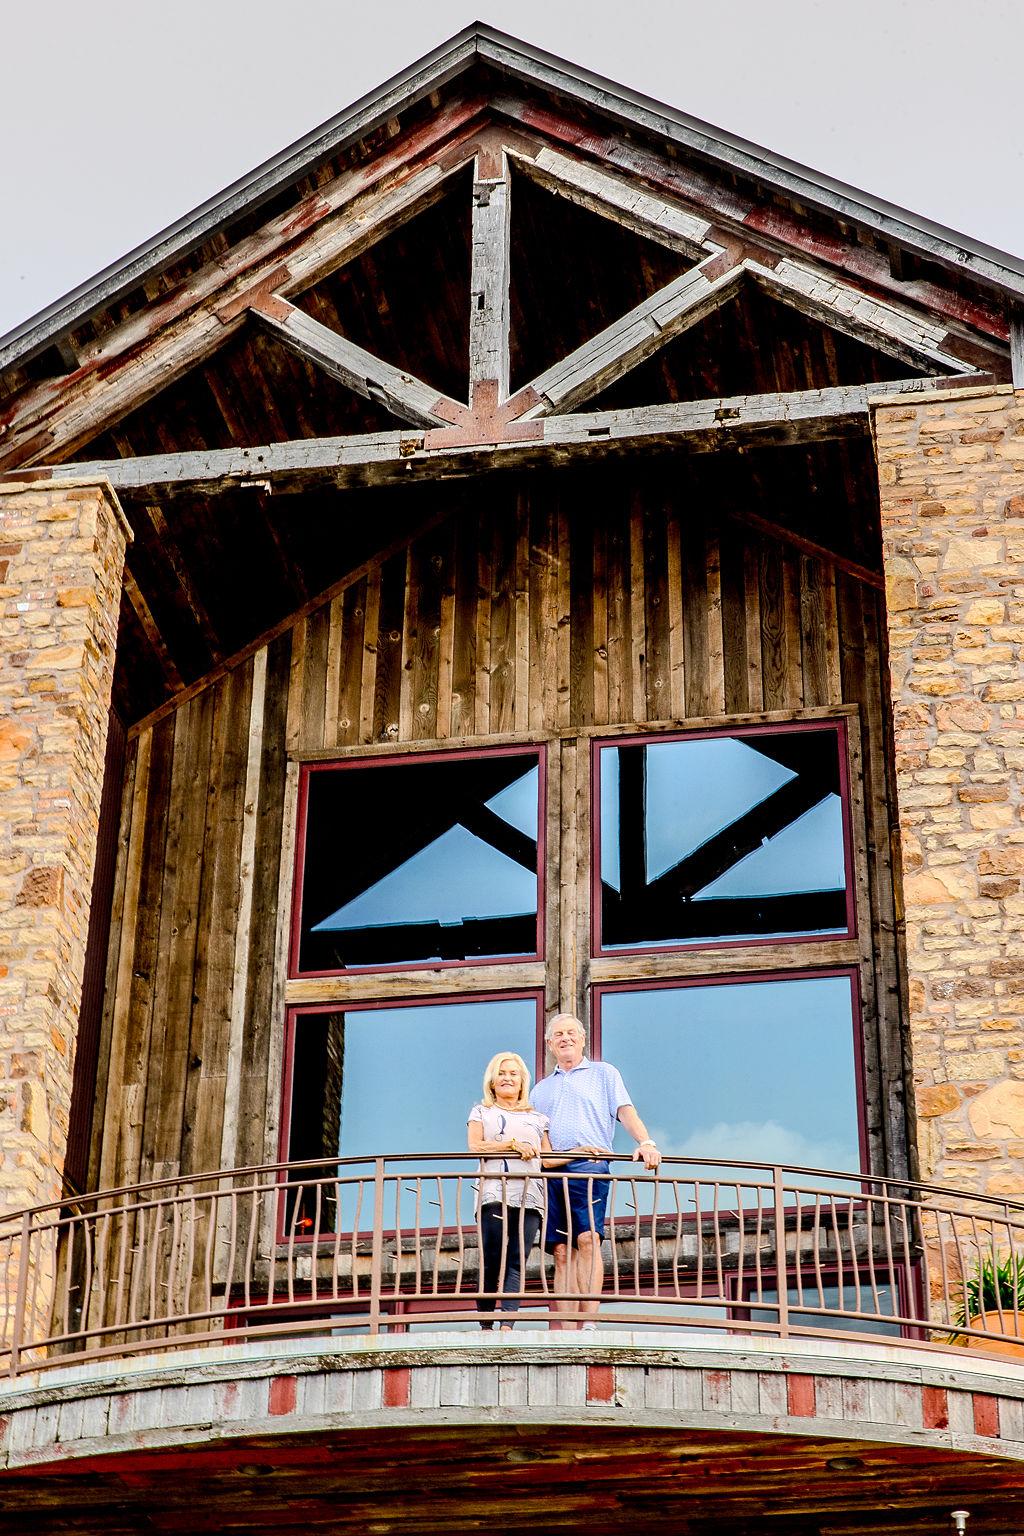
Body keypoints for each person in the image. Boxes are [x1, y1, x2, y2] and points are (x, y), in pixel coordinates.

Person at [531, 1013, 662, 1330]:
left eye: (572, 1033)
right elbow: (534, 1135)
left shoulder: (604, 1074)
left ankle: (589, 1321)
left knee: (588, 1239)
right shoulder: (539, 1090)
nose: (565, 1038)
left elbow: (624, 1111)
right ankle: (566, 1326)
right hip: (552, 1170)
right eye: (558, 1034)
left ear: (583, 1039)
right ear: (550, 1044)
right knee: (561, 1250)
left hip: (590, 1163)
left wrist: (645, 1141)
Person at [467, 1051, 559, 1331]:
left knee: (519, 1257)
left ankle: (508, 1323)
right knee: (493, 1254)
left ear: (522, 1082)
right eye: (502, 1074)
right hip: (494, 1190)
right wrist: (512, 1145)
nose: (507, 1078)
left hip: (530, 1195)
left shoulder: (538, 1118)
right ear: (492, 1082)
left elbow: (549, 1159)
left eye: (513, 1074)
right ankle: (485, 1322)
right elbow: (475, 1146)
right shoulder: (481, 1111)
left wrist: (583, 1151)